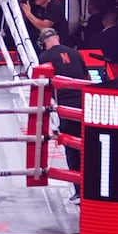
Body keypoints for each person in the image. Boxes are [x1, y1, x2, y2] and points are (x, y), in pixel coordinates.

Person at [38, 27, 88, 202]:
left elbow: (43, 86)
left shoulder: (45, 58)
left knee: (73, 149)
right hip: (85, 104)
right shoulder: (75, 54)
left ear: (43, 44)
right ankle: (91, 190)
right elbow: (87, 78)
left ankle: (80, 191)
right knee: (89, 147)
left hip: (67, 108)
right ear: (58, 37)